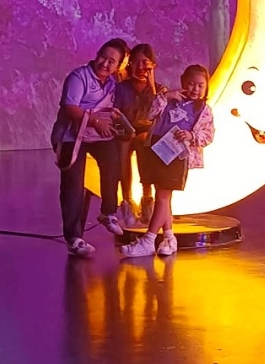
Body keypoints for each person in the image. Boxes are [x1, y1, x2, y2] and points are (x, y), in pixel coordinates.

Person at [120, 64, 215, 260]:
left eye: (200, 86)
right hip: (158, 149)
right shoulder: (171, 100)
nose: (195, 89)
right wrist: (165, 97)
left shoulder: (204, 110)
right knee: (163, 196)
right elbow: (150, 114)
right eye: (191, 84)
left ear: (206, 87)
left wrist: (191, 135)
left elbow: (208, 135)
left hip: (177, 155)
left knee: (163, 196)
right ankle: (169, 238)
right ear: (183, 82)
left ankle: (149, 239)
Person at [51, 38, 129, 258]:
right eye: (103, 57)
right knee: (73, 186)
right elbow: (70, 107)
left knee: (114, 162)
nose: (105, 63)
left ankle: (108, 212)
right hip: (71, 136)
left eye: (112, 61)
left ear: (118, 66)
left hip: (96, 136)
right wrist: (95, 121)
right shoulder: (79, 77)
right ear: (97, 55)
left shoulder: (113, 82)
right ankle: (74, 238)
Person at [114, 43, 166, 229]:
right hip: (124, 132)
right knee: (123, 145)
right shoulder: (121, 88)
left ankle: (147, 199)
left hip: (146, 133)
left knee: (145, 142)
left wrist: (151, 88)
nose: (140, 67)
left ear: (153, 65)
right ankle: (127, 201)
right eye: (136, 62)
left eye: (145, 62)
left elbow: (158, 115)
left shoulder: (159, 90)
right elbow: (114, 113)